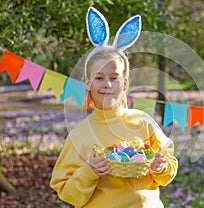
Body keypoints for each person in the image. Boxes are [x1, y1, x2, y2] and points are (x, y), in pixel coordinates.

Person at [50, 7, 178, 208]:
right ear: (88, 83)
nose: (107, 84)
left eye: (114, 78)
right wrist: (89, 172)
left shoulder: (143, 122)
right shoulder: (79, 135)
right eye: (99, 78)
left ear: (125, 84)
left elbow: (168, 165)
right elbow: (65, 190)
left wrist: (161, 167)